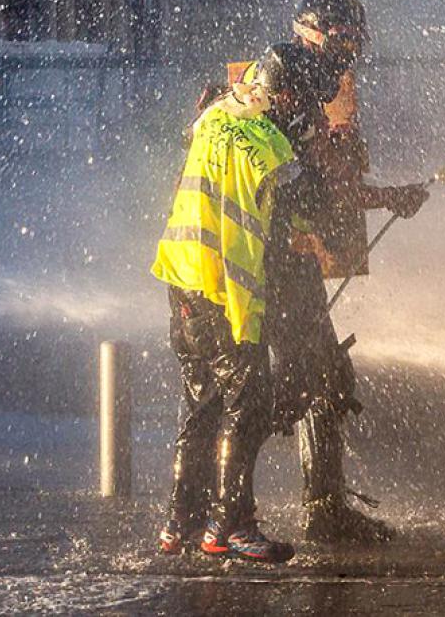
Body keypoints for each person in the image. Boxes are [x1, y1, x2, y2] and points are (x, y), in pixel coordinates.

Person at [152, 42, 335, 562]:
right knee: (249, 405)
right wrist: (317, 154)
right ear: (287, 96)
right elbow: (312, 206)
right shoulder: (273, 147)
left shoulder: (214, 114)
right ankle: (228, 527)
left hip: (181, 279)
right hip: (226, 294)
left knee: (201, 405)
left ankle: (177, 525)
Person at [270, 0, 429, 543]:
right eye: (342, 44)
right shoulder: (284, 94)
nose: (348, 59)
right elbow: (334, 186)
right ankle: (293, 516)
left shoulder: (279, 94)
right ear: (311, 36)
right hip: (270, 264)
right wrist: (391, 196)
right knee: (266, 393)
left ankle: (219, 518)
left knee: (313, 380)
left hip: (279, 259)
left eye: (355, 46)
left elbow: (330, 184)